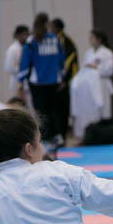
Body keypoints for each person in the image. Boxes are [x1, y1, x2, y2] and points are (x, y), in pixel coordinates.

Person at [18, 13, 65, 153]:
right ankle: (57, 136)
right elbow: (61, 60)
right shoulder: (54, 39)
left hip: (38, 82)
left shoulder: (31, 41)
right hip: (53, 80)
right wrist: (62, 77)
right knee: (52, 109)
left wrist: (20, 80)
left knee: (40, 111)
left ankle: (45, 138)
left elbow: (25, 62)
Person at [69, 29, 113, 141]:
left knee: (103, 111)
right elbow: (83, 68)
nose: (90, 40)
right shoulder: (89, 53)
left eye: (92, 38)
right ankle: (89, 134)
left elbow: (109, 70)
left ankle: (103, 135)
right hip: (88, 87)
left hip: (102, 84)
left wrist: (96, 68)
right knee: (89, 111)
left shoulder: (107, 53)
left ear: (99, 39)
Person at [51, 18, 79, 142]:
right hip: (51, 82)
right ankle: (56, 135)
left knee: (63, 110)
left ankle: (62, 135)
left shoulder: (65, 41)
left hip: (62, 83)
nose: (50, 29)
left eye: (52, 27)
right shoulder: (50, 40)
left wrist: (64, 80)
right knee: (53, 110)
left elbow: (70, 61)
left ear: (57, 28)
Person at [5, 25, 29, 98]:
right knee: (17, 104)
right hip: (16, 80)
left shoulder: (28, 47)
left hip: (27, 82)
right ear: (18, 35)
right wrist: (22, 70)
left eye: (27, 35)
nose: (26, 37)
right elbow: (9, 67)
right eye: (24, 34)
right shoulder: (13, 49)